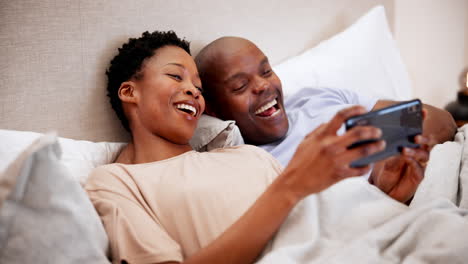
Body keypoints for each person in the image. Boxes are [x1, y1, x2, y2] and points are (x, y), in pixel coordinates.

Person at [86, 30, 394, 264]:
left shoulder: (248, 155)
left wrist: (392, 192)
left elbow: (318, 225)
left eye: (198, 86)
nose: (193, 90)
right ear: (129, 92)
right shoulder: (115, 181)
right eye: (175, 76)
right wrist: (287, 189)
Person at [195, 36, 457, 203]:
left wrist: (389, 157)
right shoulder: (254, 165)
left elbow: (440, 120)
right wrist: (382, 189)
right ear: (215, 112)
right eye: (240, 86)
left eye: (266, 71)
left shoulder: (318, 98)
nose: (263, 85)